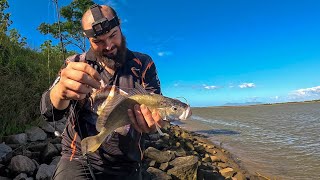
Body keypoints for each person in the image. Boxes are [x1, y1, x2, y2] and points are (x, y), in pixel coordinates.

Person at [40, 4, 164, 180]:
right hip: (78, 157)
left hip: (128, 162)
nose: (108, 45)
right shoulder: (75, 63)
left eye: (113, 35)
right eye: (98, 41)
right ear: (87, 39)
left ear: (120, 25)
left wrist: (154, 124)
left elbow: (156, 110)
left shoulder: (144, 64)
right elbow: (48, 112)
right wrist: (60, 92)